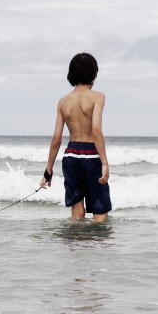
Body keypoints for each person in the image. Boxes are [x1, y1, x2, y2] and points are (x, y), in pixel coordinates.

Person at [39, 52, 112, 222]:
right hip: (91, 155)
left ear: (71, 74)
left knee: (77, 211)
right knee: (100, 208)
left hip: (71, 156)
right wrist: (104, 163)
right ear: (94, 73)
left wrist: (48, 171)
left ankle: (77, 244)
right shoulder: (98, 97)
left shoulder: (63, 101)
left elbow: (56, 139)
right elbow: (96, 131)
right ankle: (96, 246)